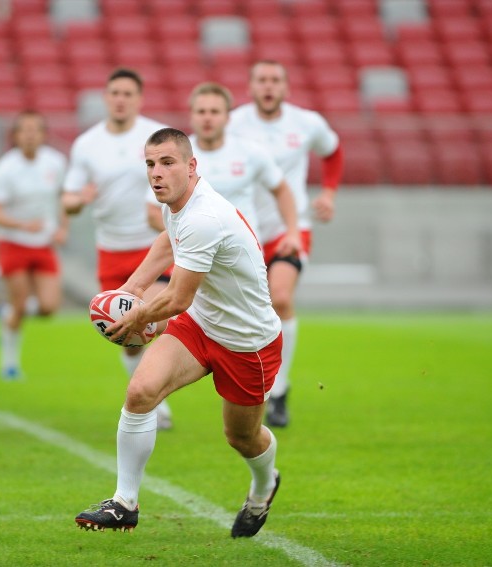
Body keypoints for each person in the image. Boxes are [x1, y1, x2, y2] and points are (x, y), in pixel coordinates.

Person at [75, 128, 283, 538]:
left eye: (167, 163)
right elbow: (167, 244)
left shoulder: (205, 217)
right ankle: (124, 503)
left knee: (241, 437)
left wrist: (135, 317)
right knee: (140, 393)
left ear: (191, 166)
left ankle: (264, 486)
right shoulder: (178, 204)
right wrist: (131, 290)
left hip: (248, 343)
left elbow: (176, 299)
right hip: (202, 325)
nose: (156, 173)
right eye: (150, 164)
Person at [228, 60, 344, 428]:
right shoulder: (233, 124)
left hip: (289, 229)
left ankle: (279, 391)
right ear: (250, 86)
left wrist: (327, 193)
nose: (268, 86)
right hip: (242, 231)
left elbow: (334, 152)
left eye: (275, 80)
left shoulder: (306, 123)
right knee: (246, 313)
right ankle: (249, 384)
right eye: (261, 79)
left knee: (280, 299)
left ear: (286, 87)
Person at [62, 67, 174, 429]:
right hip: (111, 248)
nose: (121, 99)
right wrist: (80, 199)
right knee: (128, 337)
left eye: (128, 93)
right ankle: (144, 389)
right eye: (115, 93)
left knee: (156, 318)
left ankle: (158, 403)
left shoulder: (154, 137)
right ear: (106, 98)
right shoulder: (87, 144)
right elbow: (67, 200)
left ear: (139, 99)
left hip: (151, 246)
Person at [147, 82, 300, 254]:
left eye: (214, 112)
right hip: (195, 253)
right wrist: (189, 235)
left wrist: (293, 233)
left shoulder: (250, 151)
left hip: (243, 254)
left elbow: (282, 190)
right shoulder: (175, 156)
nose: (207, 118)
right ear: (191, 116)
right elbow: (152, 212)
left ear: (228, 117)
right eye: (201, 111)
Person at [0, 110, 67, 379]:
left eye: (35, 130)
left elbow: (62, 198)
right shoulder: (5, 168)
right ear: (16, 136)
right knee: (20, 306)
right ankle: (9, 364)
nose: (30, 135)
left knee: (49, 307)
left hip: (43, 243)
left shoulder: (55, 162)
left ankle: (6, 313)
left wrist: (62, 228)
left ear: (44, 134)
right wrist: (22, 225)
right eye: (25, 130)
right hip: (13, 243)